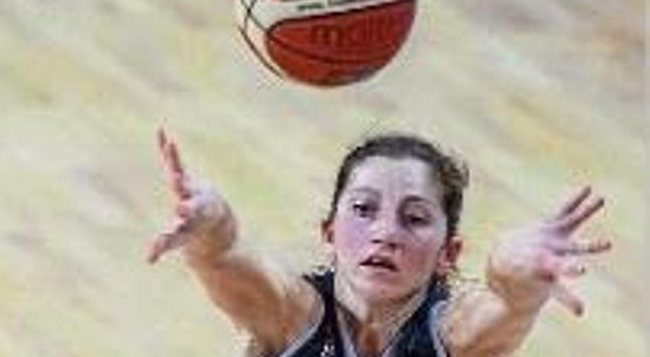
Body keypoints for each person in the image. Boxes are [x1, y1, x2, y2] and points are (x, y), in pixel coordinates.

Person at [146, 128, 612, 357]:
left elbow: (509, 300)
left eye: (414, 218)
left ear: (448, 255)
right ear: (329, 233)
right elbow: (223, 253)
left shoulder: (454, 336)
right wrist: (208, 221)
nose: (385, 233)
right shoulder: (291, 316)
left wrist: (518, 269)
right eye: (364, 210)